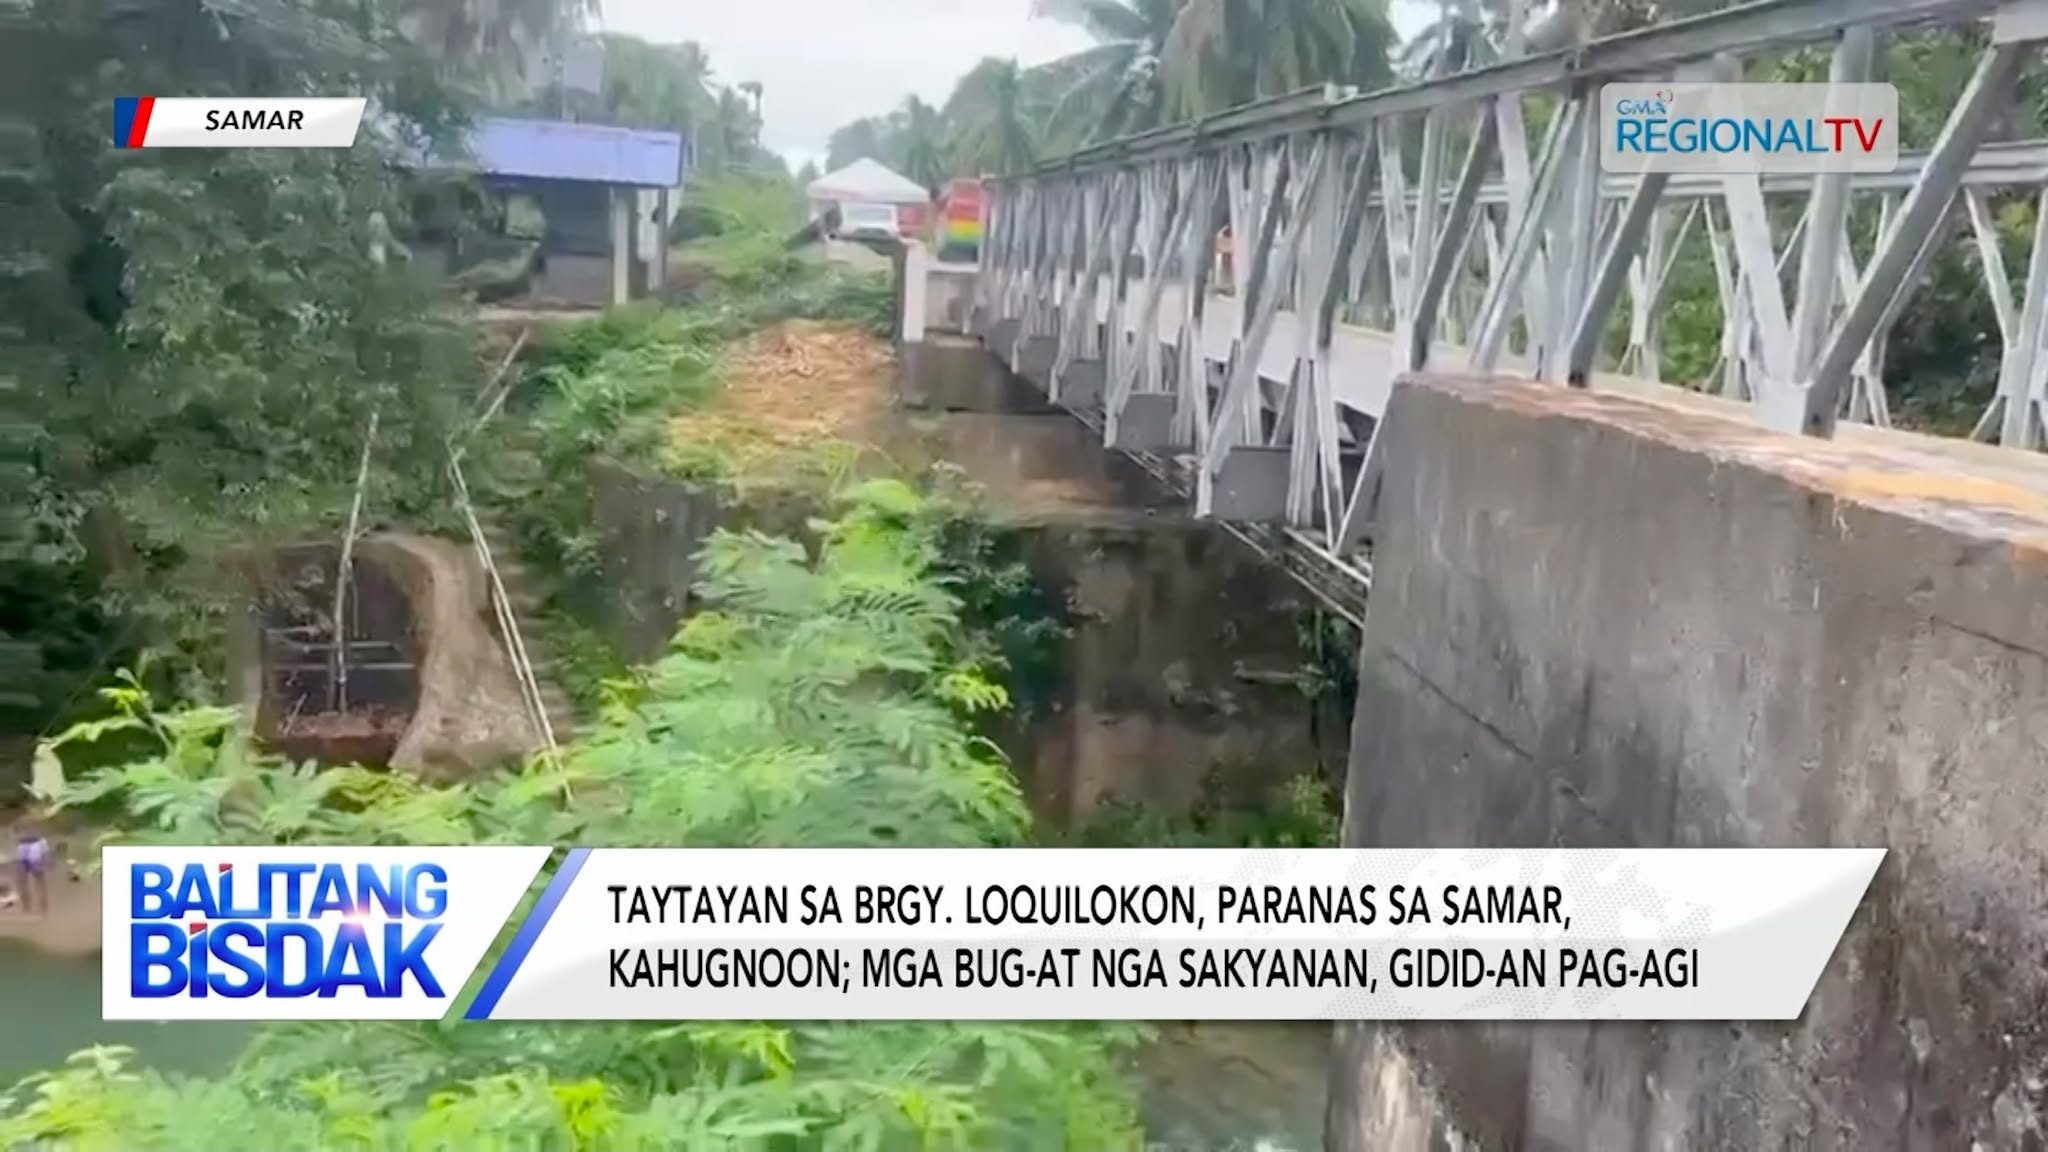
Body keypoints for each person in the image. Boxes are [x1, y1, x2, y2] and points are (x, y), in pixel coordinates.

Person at [15, 822, 51, 917]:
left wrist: (46, 860)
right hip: (26, 853)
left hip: (32, 852)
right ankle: (28, 907)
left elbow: (44, 849)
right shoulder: (25, 832)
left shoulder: (38, 837)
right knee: (25, 882)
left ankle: (41, 908)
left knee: (37, 882)